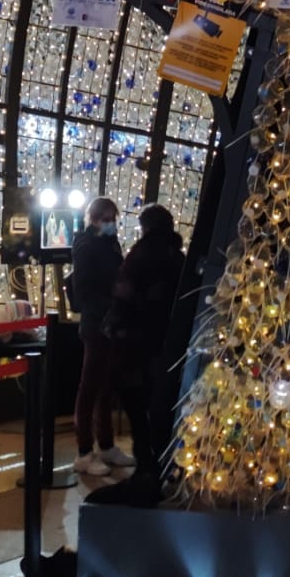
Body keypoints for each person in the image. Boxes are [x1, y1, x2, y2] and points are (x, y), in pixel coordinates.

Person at [104, 205, 185, 489]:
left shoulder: (140, 256)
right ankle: (165, 462)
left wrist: (113, 325)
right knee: (162, 404)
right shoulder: (178, 257)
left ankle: (145, 464)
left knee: (136, 406)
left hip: (136, 345)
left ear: (145, 227)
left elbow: (124, 295)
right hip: (168, 345)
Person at [70, 197, 129, 476]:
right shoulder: (86, 246)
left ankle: (105, 445)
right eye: (105, 218)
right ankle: (84, 451)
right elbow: (84, 290)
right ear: (93, 219)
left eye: (112, 217)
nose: (110, 223)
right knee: (89, 387)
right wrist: (109, 303)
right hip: (97, 325)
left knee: (105, 388)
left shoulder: (108, 244)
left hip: (110, 324)